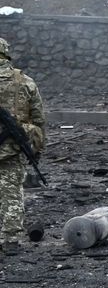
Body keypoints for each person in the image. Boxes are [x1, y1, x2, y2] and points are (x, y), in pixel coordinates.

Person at [0, 36, 46, 252]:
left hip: (12, 143)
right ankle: (10, 238)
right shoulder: (25, 82)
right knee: (11, 193)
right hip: (13, 148)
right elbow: (38, 119)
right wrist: (37, 148)